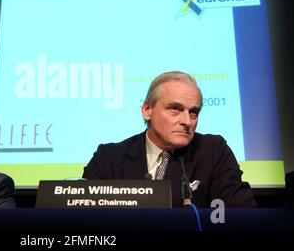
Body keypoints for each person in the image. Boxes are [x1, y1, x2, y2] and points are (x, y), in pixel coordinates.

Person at [83, 71, 256, 207]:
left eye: (193, 112)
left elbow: (240, 213)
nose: (187, 121)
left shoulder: (213, 151)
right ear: (147, 110)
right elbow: (81, 218)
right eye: (175, 109)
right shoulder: (109, 157)